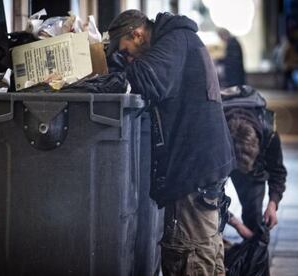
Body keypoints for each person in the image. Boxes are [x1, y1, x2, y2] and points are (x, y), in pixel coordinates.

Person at [107, 10, 236, 275]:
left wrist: (118, 64)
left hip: (193, 168)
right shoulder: (179, 40)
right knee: (206, 249)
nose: (128, 56)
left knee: (188, 252)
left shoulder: (175, 40)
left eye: (125, 50)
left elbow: (149, 80)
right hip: (204, 163)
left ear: (137, 34)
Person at [221, 85, 287, 235]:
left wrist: (272, 203)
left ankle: (254, 252)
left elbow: (277, 172)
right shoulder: (214, 135)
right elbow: (204, 192)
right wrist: (235, 223)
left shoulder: (269, 134)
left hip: (253, 169)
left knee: (255, 221)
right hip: (223, 156)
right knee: (208, 216)